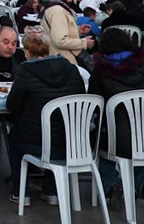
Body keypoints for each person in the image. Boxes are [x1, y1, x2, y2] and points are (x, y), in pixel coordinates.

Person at [88, 28, 144, 211]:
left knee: (101, 146)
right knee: (135, 149)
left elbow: (94, 101)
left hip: (118, 138)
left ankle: (112, 184)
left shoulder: (102, 71)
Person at [6, 32, 86, 205]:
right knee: (55, 131)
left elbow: (12, 106)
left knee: (15, 139)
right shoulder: (71, 68)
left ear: (27, 52)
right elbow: (81, 98)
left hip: (35, 143)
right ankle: (52, 191)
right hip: (71, 142)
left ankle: (21, 193)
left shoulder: (25, 72)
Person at [41, 0, 93, 67]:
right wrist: (84, 42)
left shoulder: (55, 8)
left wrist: (78, 30)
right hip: (66, 59)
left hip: (61, 59)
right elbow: (60, 40)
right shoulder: (57, 11)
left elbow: (57, 31)